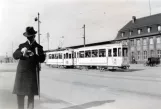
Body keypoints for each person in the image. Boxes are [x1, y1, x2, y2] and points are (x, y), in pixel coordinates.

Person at [13, 26, 45, 109]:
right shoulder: (22, 45)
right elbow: (15, 55)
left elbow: (42, 59)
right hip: (21, 75)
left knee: (31, 98)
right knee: (20, 97)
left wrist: (35, 55)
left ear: (34, 36)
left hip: (31, 75)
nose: (29, 38)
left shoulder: (38, 47)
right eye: (28, 37)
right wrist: (21, 52)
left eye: (30, 37)